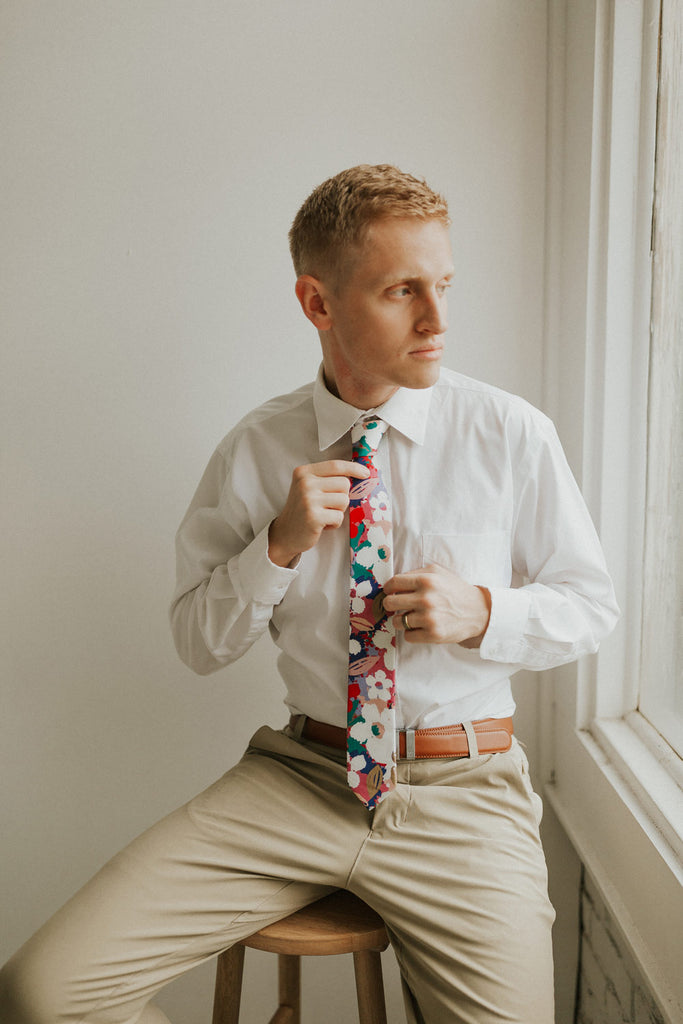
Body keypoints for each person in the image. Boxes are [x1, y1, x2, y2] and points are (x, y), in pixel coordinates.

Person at [0, 164, 619, 1024]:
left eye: (442, 285)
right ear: (317, 303)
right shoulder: (256, 449)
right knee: (42, 993)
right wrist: (277, 548)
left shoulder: (508, 433)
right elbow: (198, 644)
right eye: (404, 291)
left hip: (463, 792)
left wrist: (486, 612)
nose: (438, 320)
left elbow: (592, 606)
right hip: (301, 779)